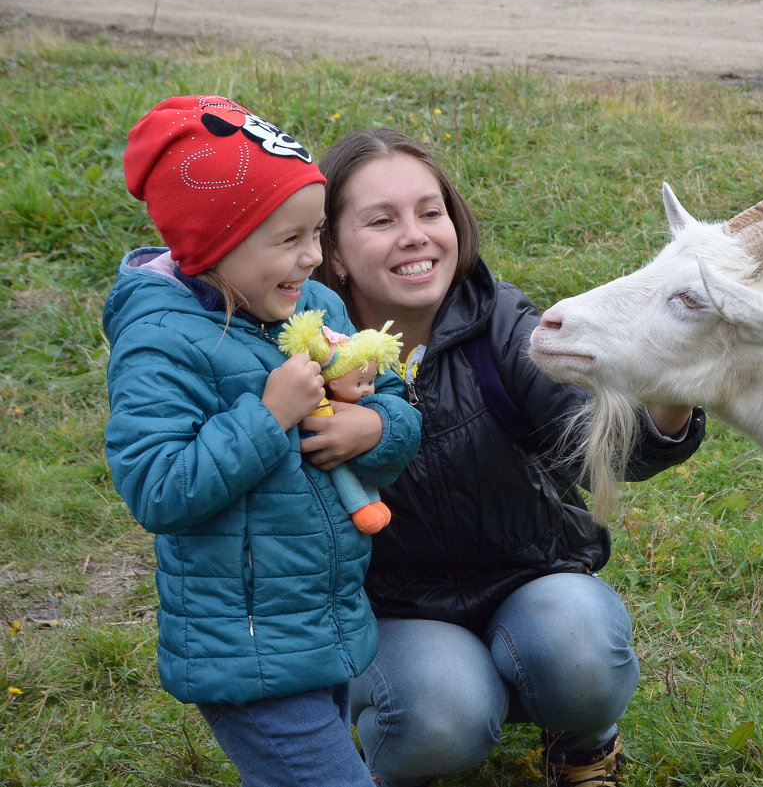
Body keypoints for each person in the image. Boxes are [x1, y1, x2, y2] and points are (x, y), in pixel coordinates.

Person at [314, 128, 706, 787]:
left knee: (579, 649)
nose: (414, 235)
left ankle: (583, 745)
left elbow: (601, 446)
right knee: (441, 716)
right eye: (381, 220)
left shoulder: (499, 320)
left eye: (429, 211)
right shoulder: (308, 353)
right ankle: (414, 734)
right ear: (335, 252)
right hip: (393, 609)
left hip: (532, 578)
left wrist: (667, 397)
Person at [104, 96, 422, 787]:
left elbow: (397, 416)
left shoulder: (313, 304)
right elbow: (158, 487)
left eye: (316, 233)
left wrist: (373, 424)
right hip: (244, 649)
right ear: (214, 245)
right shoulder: (161, 340)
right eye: (288, 239)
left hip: (322, 622)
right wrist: (267, 414)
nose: (313, 256)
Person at [278, 308, 405, 533]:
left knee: (361, 472)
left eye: (370, 382)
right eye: (360, 384)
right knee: (343, 473)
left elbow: (398, 401)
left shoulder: (326, 302)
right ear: (334, 384)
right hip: (324, 462)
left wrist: (379, 421)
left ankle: (373, 501)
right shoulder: (323, 403)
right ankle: (359, 507)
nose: (368, 390)